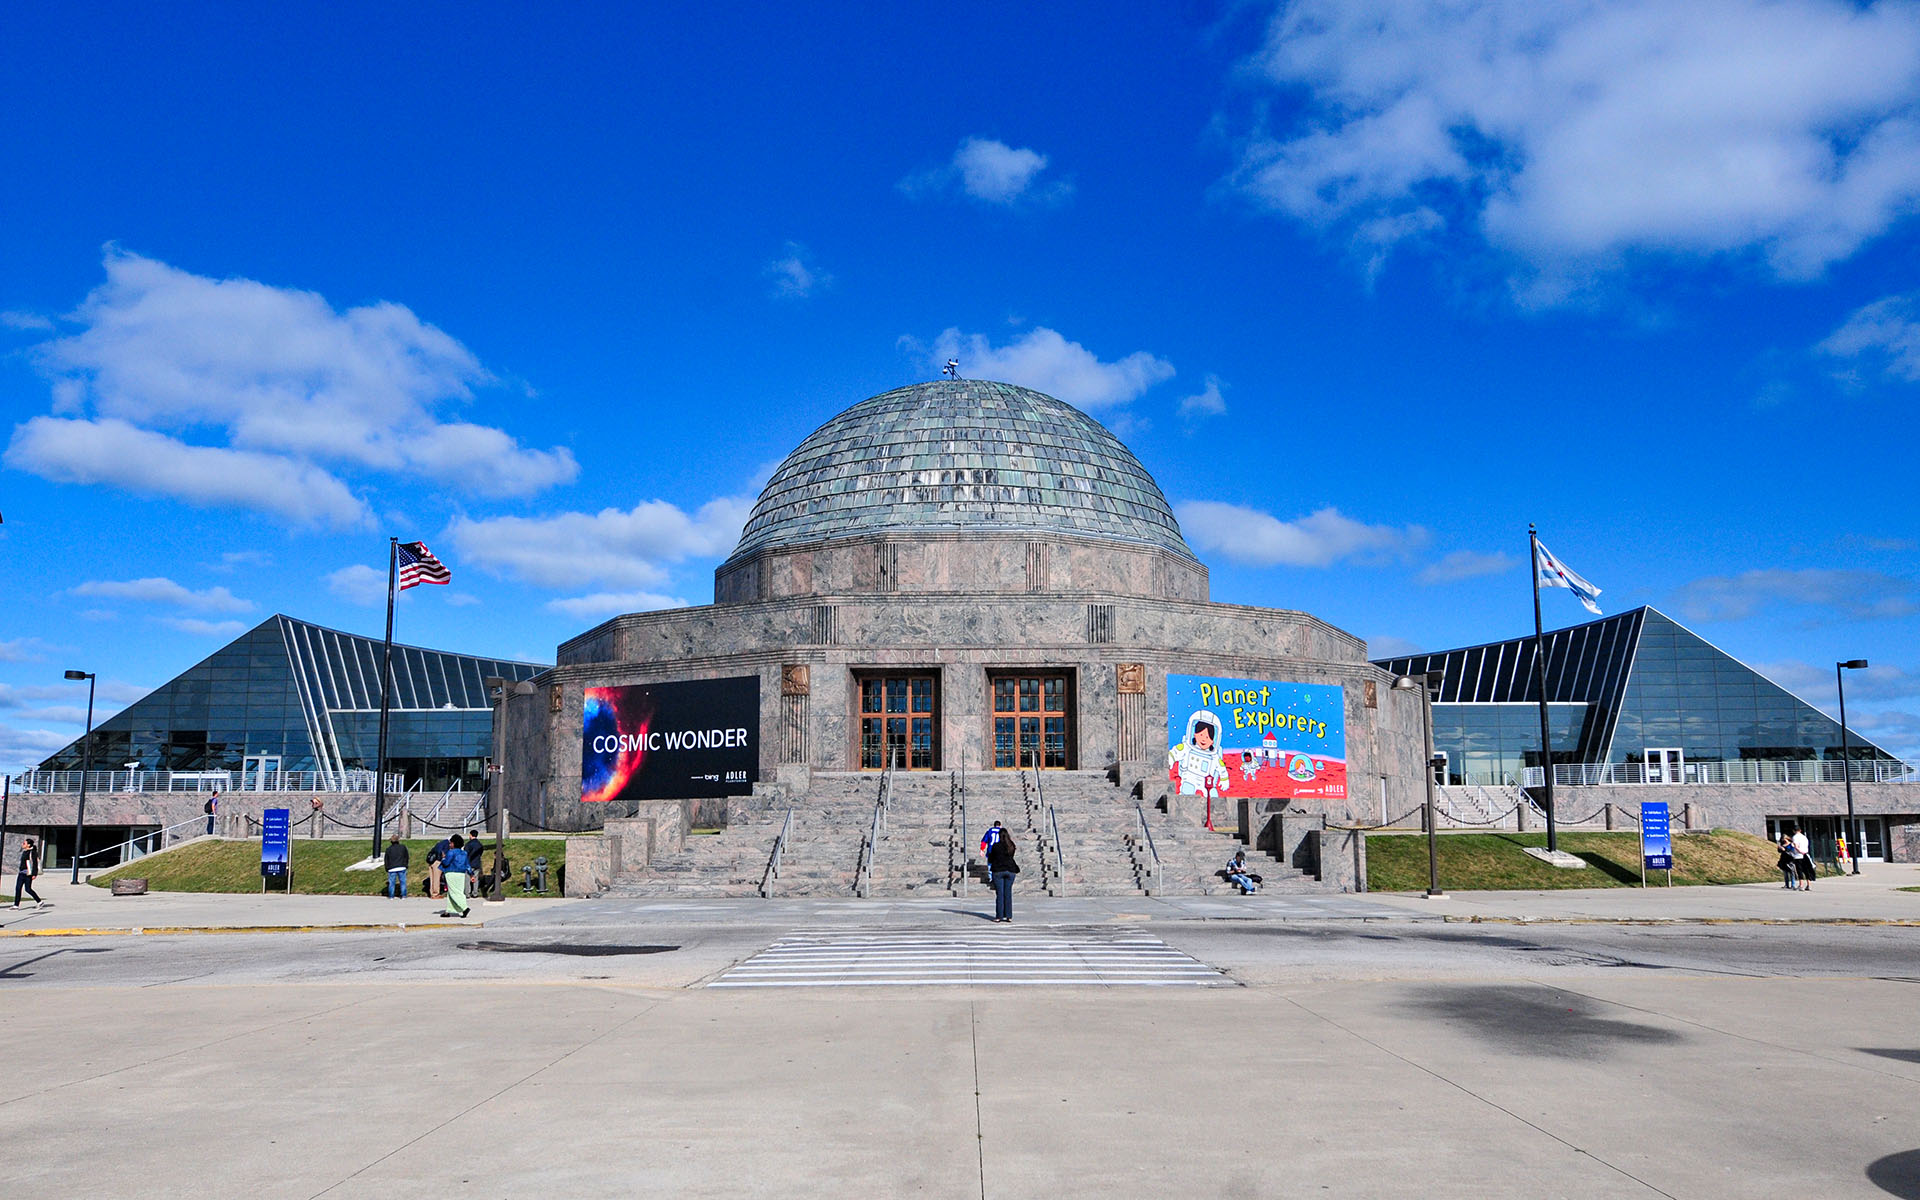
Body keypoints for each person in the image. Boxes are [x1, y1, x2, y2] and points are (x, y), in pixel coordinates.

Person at [986, 829, 1019, 923]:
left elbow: (991, 858)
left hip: (998, 870)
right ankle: (1009, 916)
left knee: (1000, 894)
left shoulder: (996, 846)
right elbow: (1011, 857)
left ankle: (999, 916)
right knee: (1008, 893)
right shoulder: (1011, 845)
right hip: (1010, 870)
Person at [439, 834, 471, 918]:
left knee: (454, 892)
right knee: (455, 892)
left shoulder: (451, 852)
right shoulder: (464, 853)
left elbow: (446, 863)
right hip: (461, 874)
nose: (449, 845)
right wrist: (471, 874)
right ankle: (448, 911)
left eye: (450, 843)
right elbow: (467, 864)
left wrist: (443, 858)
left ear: (453, 843)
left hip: (451, 873)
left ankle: (464, 908)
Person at [13, 837, 44, 908]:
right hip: (21, 873)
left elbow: (35, 864)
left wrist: (34, 874)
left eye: (24, 843)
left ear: (29, 845)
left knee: (28, 889)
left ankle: (39, 901)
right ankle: (16, 905)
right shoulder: (24, 852)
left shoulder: (32, 852)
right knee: (18, 888)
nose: (22, 844)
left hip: (28, 874)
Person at [383, 835, 409, 899]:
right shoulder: (403, 847)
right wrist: (405, 864)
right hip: (402, 866)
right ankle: (403, 895)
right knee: (403, 882)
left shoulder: (388, 849)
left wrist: (387, 867)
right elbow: (406, 857)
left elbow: (386, 859)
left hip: (392, 868)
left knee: (391, 883)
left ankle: (391, 896)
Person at [1790, 824, 1815, 891]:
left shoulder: (1795, 837)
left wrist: (1799, 851)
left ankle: (1801, 885)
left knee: (1799, 870)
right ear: (1800, 830)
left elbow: (1795, 846)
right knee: (1806, 869)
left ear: (1793, 831)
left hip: (1798, 855)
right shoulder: (1804, 837)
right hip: (1805, 854)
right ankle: (1808, 884)